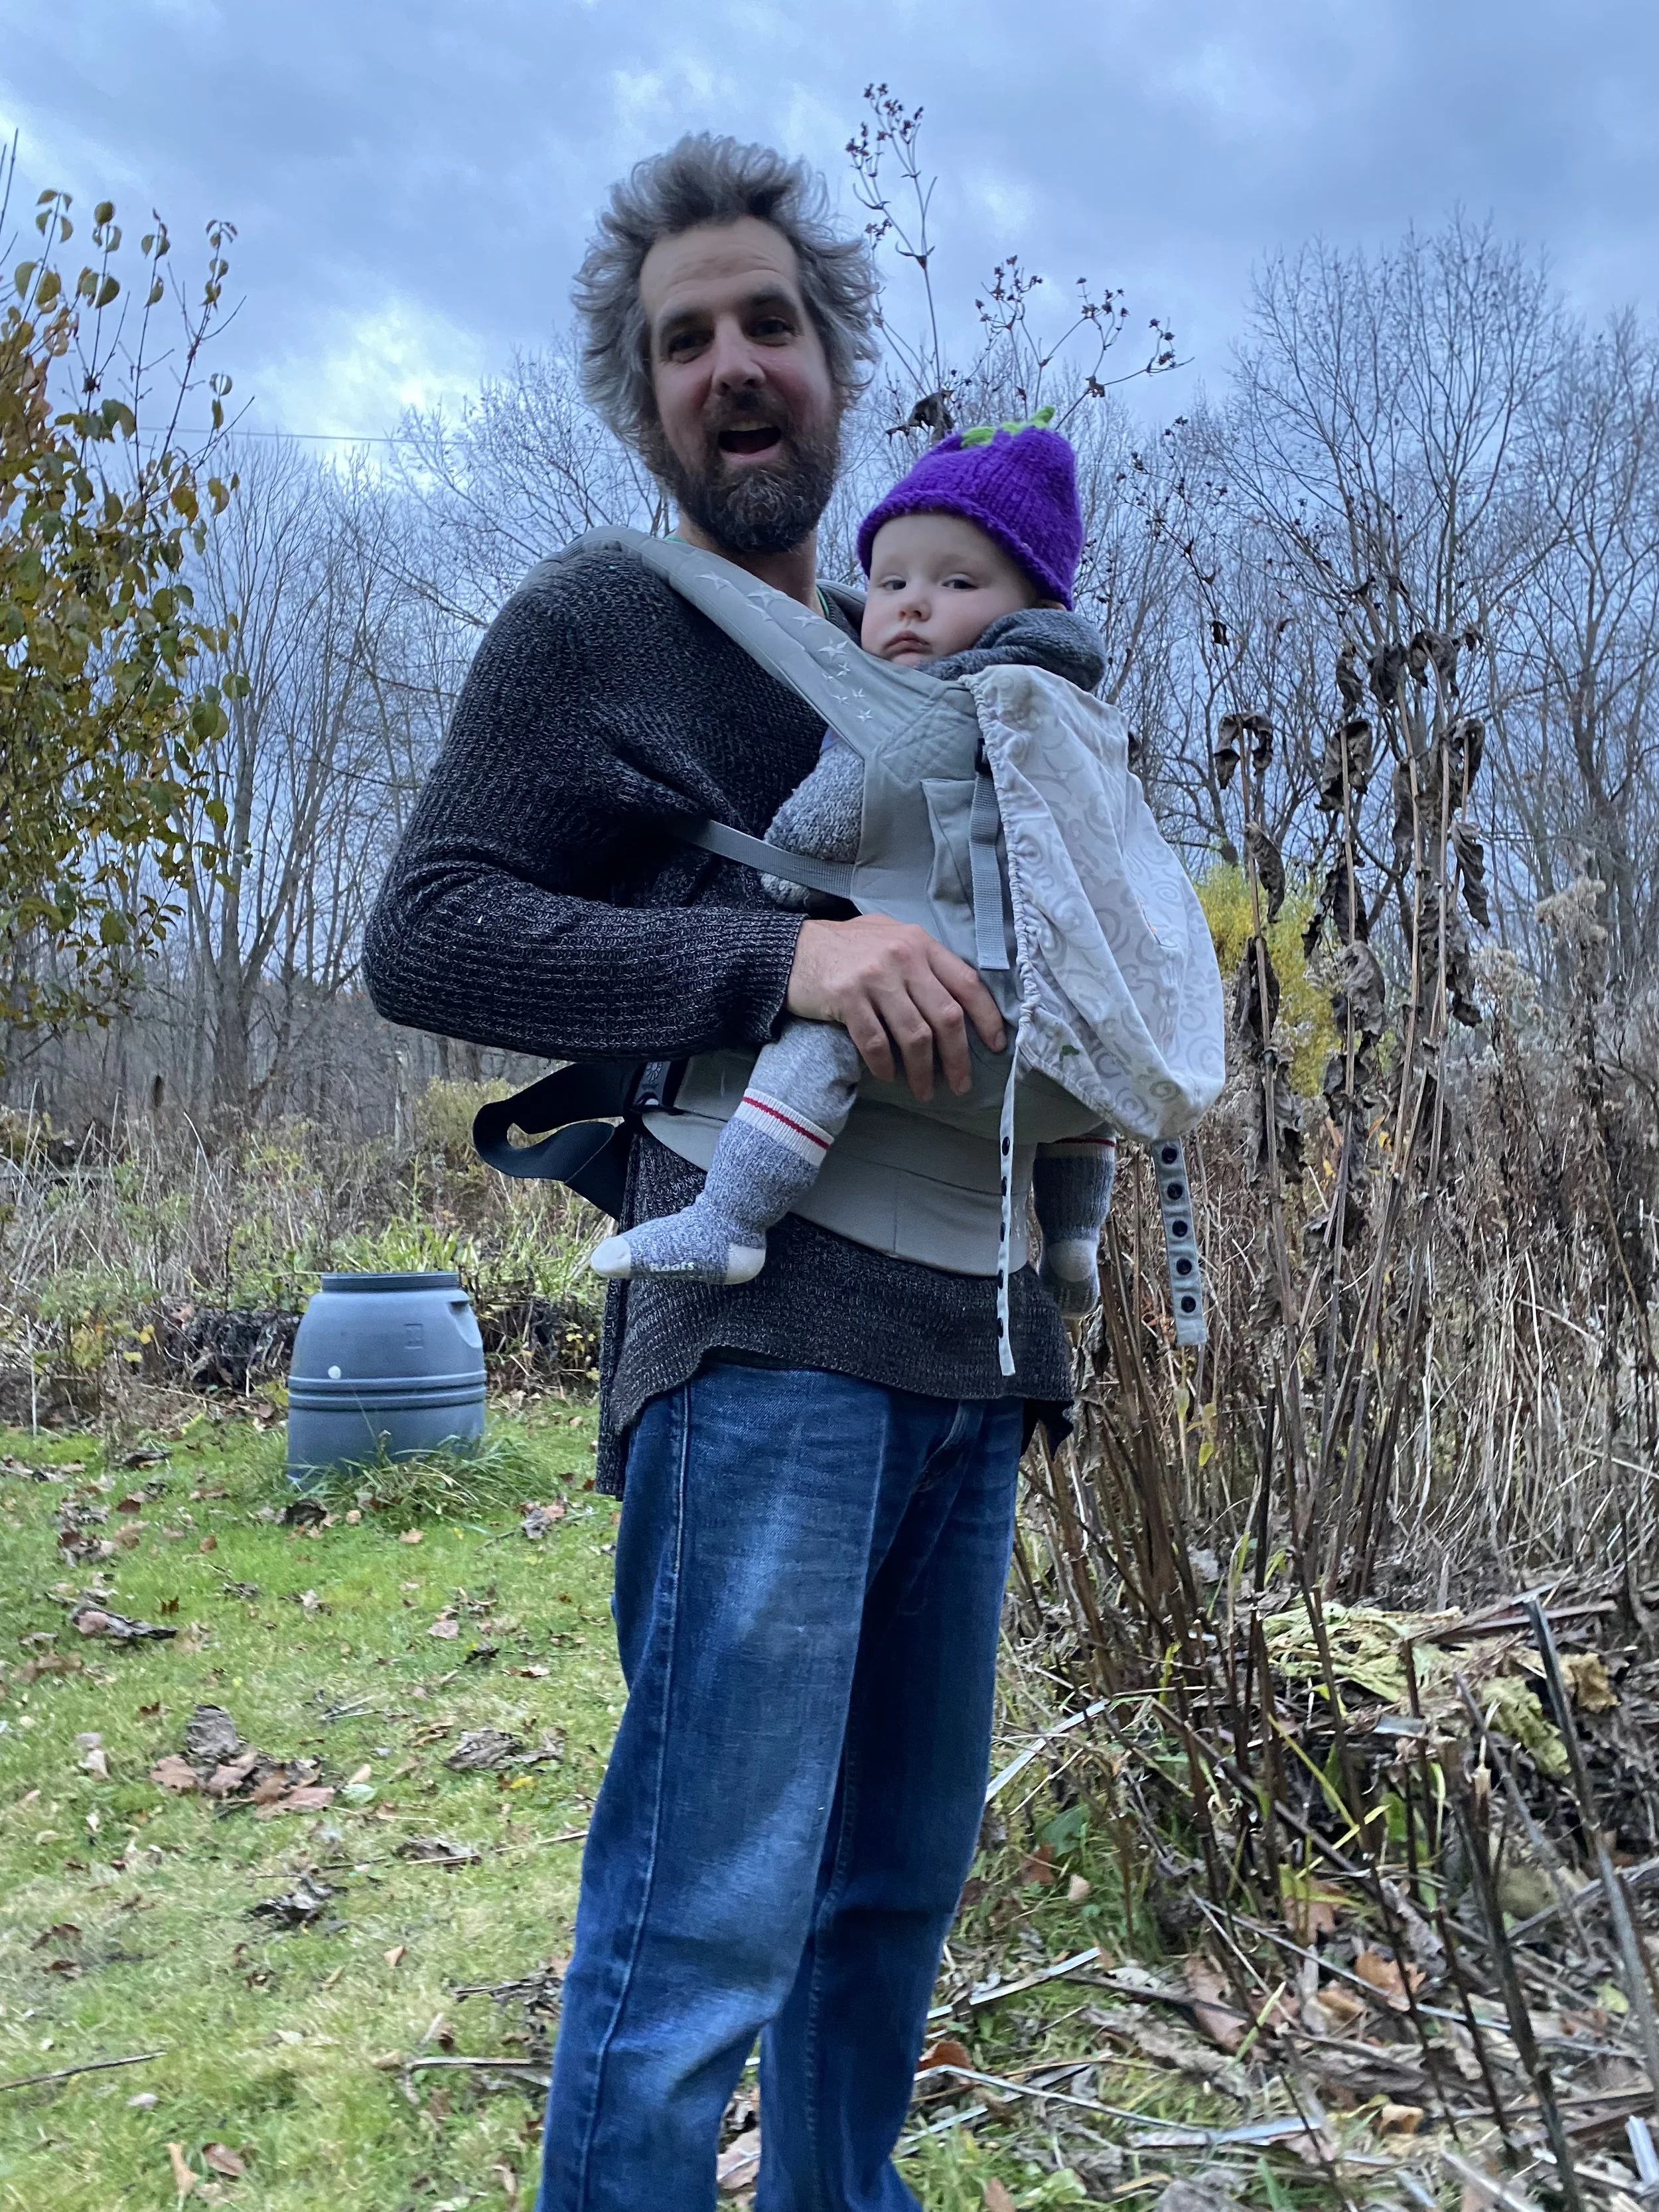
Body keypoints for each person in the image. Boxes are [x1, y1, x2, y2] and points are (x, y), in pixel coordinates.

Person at [364, 133, 1076, 2212]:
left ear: (836, 362)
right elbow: (429, 931)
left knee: (880, 1922)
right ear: (643, 394)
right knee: (695, 1935)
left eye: (769, 320)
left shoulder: (942, 647)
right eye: (685, 342)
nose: (733, 363)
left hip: (971, 1357)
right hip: (758, 1347)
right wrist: (781, 952)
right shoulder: (606, 621)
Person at [589, 417, 1119, 1315]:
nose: (911, 604)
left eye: (957, 581)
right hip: (1065, 1040)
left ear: (1033, 611)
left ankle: (729, 1221)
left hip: (959, 1013)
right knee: (1094, 1070)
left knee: (826, 1033)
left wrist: (786, 874)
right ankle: (1071, 1238)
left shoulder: (918, 704)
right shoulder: (1072, 717)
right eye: (891, 581)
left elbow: (829, 819)